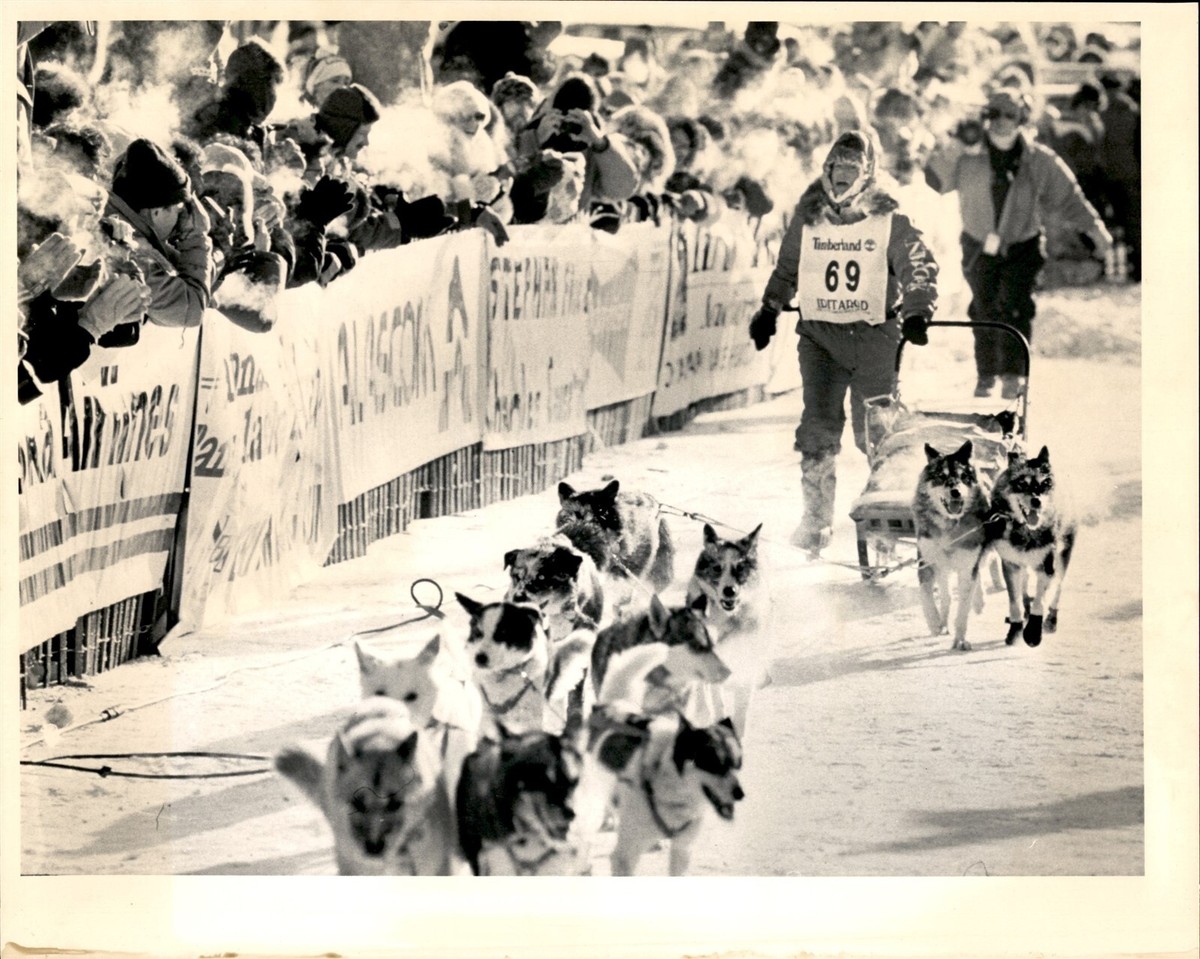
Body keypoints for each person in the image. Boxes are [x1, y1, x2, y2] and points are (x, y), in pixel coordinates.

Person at [747, 129, 939, 553]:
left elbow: (919, 265)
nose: (840, 177)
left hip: (873, 336)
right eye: (835, 167)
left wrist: (918, 310)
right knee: (817, 428)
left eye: (851, 168)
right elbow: (787, 269)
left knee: (876, 432)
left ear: (867, 174)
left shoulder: (889, 217)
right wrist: (770, 308)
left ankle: (886, 516)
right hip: (820, 338)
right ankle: (816, 520)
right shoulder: (808, 216)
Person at [924, 88, 1112, 398]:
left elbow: (1068, 198)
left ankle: (1013, 376)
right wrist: (955, 145)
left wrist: (1095, 230)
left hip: (1022, 245)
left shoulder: (1037, 159)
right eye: (994, 114)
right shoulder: (969, 155)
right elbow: (934, 181)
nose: (1001, 122)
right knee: (983, 309)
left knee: (1014, 307)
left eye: (1009, 115)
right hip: (978, 245)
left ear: (1021, 118)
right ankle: (986, 377)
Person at [105, 137, 213, 328]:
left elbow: (183, 272)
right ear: (155, 211)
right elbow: (192, 311)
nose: (181, 216)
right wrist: (196, 238)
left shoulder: (124, 224)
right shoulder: (131, 248)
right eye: (177, 208)